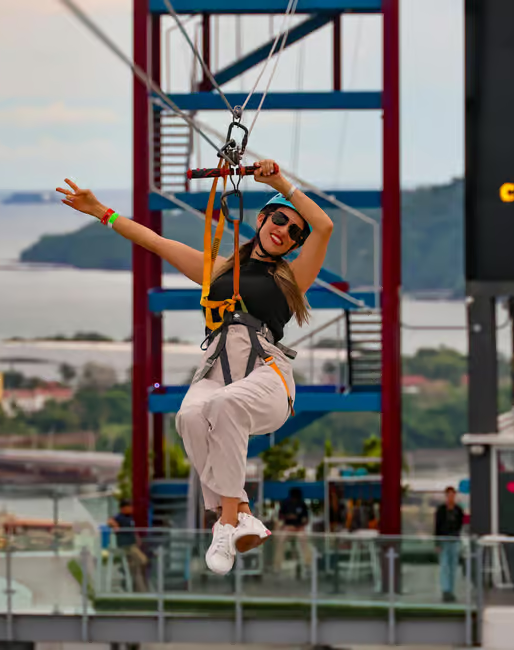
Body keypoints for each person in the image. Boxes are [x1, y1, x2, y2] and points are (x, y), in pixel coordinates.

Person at [58, 160, 333, 575]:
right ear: (261, 218)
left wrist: (280, 184)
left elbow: (324, 226)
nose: (285, 231)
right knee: (189, 416)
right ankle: (238, 514)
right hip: (217, 367)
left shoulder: (291, 278)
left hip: (266, 373)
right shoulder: (218, 269)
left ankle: (226, 522)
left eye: (295, 232)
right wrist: (101, 211)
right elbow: (154, 241)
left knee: (224, 406)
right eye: (279, 219)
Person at [107, 499, 148, 592]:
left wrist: (137, 538)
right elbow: (110, 521)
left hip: (132, 543)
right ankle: (127, 568)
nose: (131, 508)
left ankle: (130, 569)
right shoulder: (119, 517)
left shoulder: (130, 518)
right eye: (129, 507)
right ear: (123, 508)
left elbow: (133, 529)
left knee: (138, 567)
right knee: (143, 560)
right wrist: (115, 525)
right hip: (126, 545)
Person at [434, 486, 465, 602]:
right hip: (443, 540)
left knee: (453, 566)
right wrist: (436, 543)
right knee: (444, 565)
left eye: (453, 495)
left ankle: (451, 590)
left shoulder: (458, 510)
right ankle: (445, 590)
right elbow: (437, 526)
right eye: (449, 495)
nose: (451, 497)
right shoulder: (441, 510)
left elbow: (460, 524)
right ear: (446, 496)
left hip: (454, 540)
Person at [273, 487, 312, 573]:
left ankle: (308, 564)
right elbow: (280, 517)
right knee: (280, 541)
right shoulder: (285, 503)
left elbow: (306, 519)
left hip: (299, 528)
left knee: (304, 541)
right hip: (288, 527)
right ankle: (277, 565)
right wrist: (288, 517)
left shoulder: (302, 504)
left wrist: (302, 524)